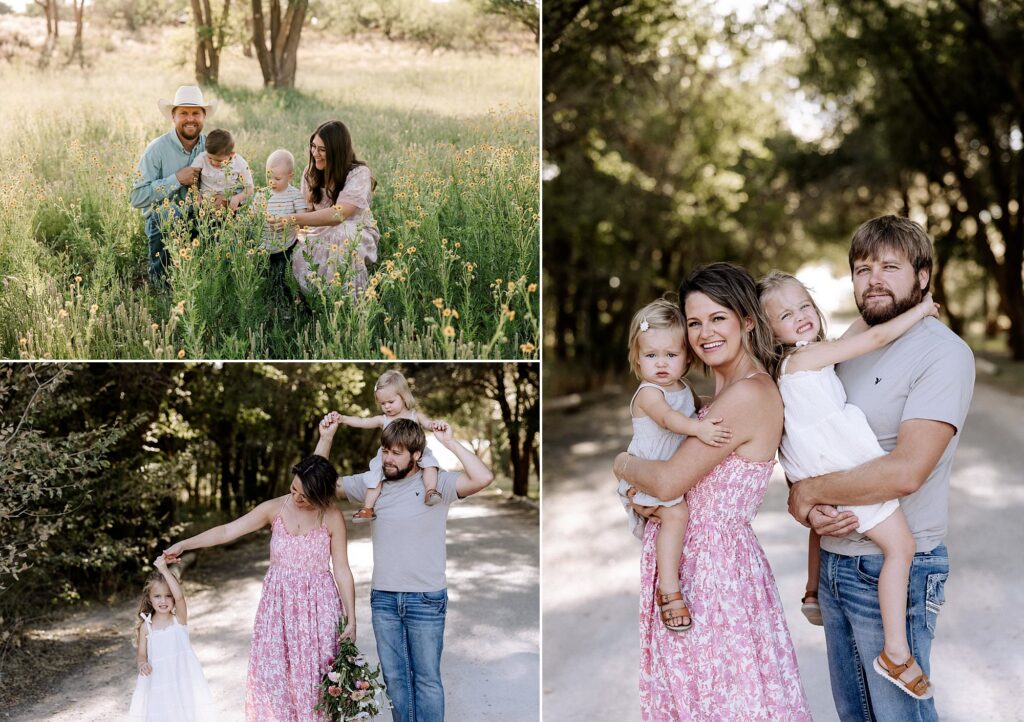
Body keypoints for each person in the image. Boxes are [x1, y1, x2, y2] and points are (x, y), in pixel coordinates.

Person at [787, 215, 975, 720]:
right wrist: (802, 498)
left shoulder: (942, 355)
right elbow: (811, 437)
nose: (873, 278)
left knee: (898, 716)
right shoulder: (844, 345)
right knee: (855, 714)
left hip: (893, 569)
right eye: (863, 267)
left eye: (890, 266)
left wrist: (810, 491)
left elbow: (906, 471)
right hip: (834, 562)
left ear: (923, 276)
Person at [613, 262, 812, 720]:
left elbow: (666, 481)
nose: (705, 333)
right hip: (691, 564)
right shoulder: (715, 395)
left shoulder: (749, 393)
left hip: (716, 577)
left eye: (718, 318)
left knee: (725, 702)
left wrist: (619, 465)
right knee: (695, 699)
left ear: (746, 319)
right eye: (695, 322)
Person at [759, 270, 941, 699]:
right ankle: (896, 652)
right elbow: (873, 340)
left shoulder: (797, 360)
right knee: (901, 547)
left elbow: (857, 330)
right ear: (768, 330)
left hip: (817, 468)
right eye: (786, 314)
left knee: (822, 529)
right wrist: (920, 309)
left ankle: (812, 592)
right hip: (842, 465)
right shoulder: (805, 359)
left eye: (805, 305)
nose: (801, 317)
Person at [315, 414, 494, 722]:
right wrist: (326, 437)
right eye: (385, 450)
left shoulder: (435, 484)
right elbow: (316, 482)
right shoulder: (373, 484)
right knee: (395, 680)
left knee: (426, 680)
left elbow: (482, 478)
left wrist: (450, 442)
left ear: (416, 456)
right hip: (384, 599)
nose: (387, 458)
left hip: (426, 599)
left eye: (396, 453)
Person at [163, 455, 356, 722]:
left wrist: (352, 617)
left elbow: (343, 569)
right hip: (276, 611)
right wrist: (185, 544)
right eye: (294, 490)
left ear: (322, 494)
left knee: (316, 685)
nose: (297, 498)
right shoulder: (274, 509)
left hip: (318, 611)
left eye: (305, 495)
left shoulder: (332, 517)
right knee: (275, 681)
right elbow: (227, 531)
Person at [616, 298, 732, 633]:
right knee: (675, 513)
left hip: (667, 474)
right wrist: (698, 429)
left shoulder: (682, 386)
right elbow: (669, 419)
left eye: (671, 355)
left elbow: (699, 406)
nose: (661, 363)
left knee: (678, 510)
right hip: (647, 473)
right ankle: (668, 588)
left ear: (687, 356)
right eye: (651, 356)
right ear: (637, 358)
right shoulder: (648, 394)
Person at [268, 120, 380, 294]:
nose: (315, 153)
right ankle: (315, 302)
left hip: (356, 232)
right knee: (297, 250)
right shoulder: (310, 173)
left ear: (337, 152)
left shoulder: (358, 173)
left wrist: (293, 219)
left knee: (340, 235)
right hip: (318, 231)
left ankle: (351, 302)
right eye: (313, 146)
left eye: (322, 150)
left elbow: (339, 215)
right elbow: (306, 215)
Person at [130, 85, 217, 285]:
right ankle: (161, 283)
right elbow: (137, 197)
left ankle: (212, 279)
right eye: (183, 113)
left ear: (203, 117)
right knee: (169, 214)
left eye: (196, 113)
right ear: (173, 117)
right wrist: (176, 179)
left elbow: (235, 179)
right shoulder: (156, 150)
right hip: (164, 222)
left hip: (202, 215)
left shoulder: (212, 146)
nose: (190, 119)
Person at [334, 370, 443, 524]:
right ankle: (368, 508)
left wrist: (436, 425)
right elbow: (363, 422)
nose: (386, 407)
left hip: (416, 450)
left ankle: (430, 491)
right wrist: (343, 418)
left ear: (403, 396)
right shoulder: (383, 419)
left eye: (390, 402)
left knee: (430, 463)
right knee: (375, 475)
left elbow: (428, 424)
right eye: (382, 404)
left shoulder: (414, 416)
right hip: (388, 454)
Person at [126, 556, 216, 721]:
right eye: (158, 596)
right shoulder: (147, 626)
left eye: (168, 596)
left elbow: (180, 597)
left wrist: (164, 570)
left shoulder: (179, 620)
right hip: (158, 682)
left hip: (182, 677)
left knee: (185, 712)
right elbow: (141, 655)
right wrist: (142, 664)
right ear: (149, 599)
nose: (163, 600)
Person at [259, 148, 309, 305]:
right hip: (264, 245)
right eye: (269, 177)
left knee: (283, 277)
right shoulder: (262, 194)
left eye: (277, 178)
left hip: (285, 247)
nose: (272, 182)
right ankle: (267, 303)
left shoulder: (295, 195)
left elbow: (303, 219)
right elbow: (253, 216)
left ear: (290, 177)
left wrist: (290, 222)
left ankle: (284, 303)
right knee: (264, 276)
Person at [189, 129, 255, 211]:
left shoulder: (240, 163)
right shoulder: (202, 158)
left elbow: (250, 188)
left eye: (219, 161)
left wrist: (237, 198)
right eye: (210, 158)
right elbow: (191, 176)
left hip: (229, 207)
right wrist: (197, 195)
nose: (213, 162)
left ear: (232, 154)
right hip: (205, 206)